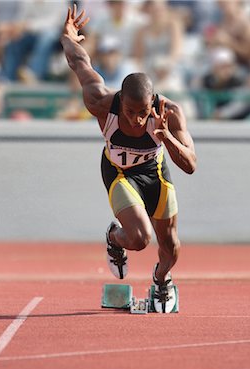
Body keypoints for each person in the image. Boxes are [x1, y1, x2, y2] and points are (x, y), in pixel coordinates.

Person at [61, 5, 196, 313]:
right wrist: (68, 36)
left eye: (142, 113)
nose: (136, 120)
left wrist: (166, 138)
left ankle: (161, 280)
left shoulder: (169, 113)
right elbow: (79, 61)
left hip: (155, 171)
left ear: (153, 104)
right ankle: (114, 237)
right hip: (118, 171)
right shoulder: (101, 102)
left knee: (171, 246)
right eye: (130, 112)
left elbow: (190, 165)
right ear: (120, 102)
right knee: (139, 239)